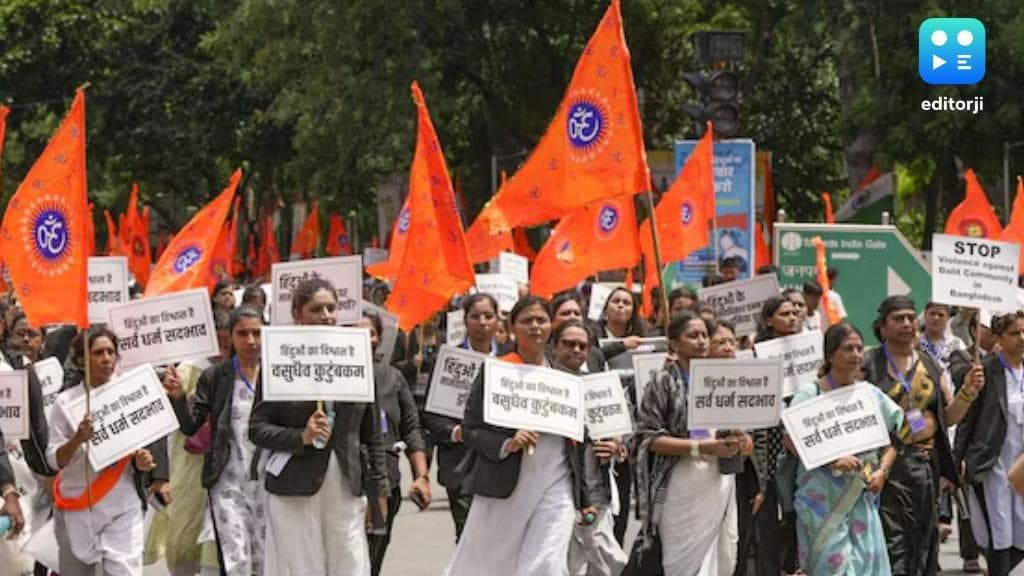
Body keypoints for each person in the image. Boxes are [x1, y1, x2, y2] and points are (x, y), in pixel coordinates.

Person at [249, 278, 388, 576]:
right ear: (297, 314)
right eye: (316, 309)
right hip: (294, 486)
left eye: (331, 308)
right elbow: (257, 428)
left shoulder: (355, 356)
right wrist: (301, 436)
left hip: (346, 484)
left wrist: (379, 490)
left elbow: (372, 434)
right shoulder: (279, 358)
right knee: (301, 567)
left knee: (350, 563)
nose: (326, 315)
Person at [444, 296, 588, 576]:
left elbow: (581, 437)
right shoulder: (497, 370)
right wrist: (507, 443)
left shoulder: (565, 379)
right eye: (527, 321)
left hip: (556, 481)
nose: (535, 327)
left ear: (551, 326)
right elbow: (471, 428)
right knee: (490, 564)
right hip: (506, 481)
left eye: (541, 320)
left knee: (547, 562)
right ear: (511, 327)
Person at [862, 295, 982, 576]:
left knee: (923, 543)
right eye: (897, 319)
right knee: (892, 544)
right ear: (882, 326)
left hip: (924, 468)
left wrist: (968, 393)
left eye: (909, 318)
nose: (906, 324)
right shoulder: (868, 364)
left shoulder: (930, 365)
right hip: (883, 470)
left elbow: (948, 418)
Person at [48, 326, 170, 575]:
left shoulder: (131, 393)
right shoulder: (66, 403)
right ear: (82, 360)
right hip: (78, 503)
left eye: (110, 352)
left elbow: (145, 441)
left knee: (124, 570)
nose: (106, 358)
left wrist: (143, 462)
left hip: (123, 502)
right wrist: (77, 439)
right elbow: (54, 460)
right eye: (98, 352)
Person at [634, 312, 748, 576]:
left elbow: (733, 428)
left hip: (719, 479)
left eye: (704, 335)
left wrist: (740, 441)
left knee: (722, 554)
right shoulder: (663, 382)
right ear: (674, 344)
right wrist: (699, 448)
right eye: (692, 335)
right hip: (681, 481)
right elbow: (647, 438)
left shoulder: (723, 380)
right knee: (682, 562)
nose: (701, 341)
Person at [789, 322, 904, 575]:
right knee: (832, 565)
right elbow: (792, 440)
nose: (856, 355)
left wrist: (883, 471)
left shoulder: (869, 395)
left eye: (859, 348)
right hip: (821, 499)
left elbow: (894, 441)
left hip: (861, 495)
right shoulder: (810, 394)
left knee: (865, 564)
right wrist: (831, 462)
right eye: (848, 348)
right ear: (830, 355)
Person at [163, 306, 266, 576]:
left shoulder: (277, 374)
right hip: (227, 484)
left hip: (268, 484)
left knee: (264, 562)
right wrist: (179, 398)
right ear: (231, 337)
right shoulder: (216, 377)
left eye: (257, 332)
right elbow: (190, 425)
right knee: (236, 560)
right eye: (243, 333)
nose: (251, 340)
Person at [145, 309, 232, 575]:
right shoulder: (188, 370)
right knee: (184, 532)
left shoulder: (248, 368)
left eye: (229, 345)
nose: (224, 351)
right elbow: (170, 422)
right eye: (221, 343)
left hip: (230, 466)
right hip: (189, 465)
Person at [422, 293, 507, 541]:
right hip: (461, 463)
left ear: (497, 320)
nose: (482, 322)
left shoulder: (511, 359)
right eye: (475, 316)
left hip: (504, 463)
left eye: (488, 316)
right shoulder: (448, 359)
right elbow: (430, 415)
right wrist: (455, 432)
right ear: (465, 321)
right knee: (469, 536)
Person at [552, 320, 628, 576]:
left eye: (582, 345)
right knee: (568, 562)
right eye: (568, 344)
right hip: (556, 489)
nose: (575, 350)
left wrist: (616, 444)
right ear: (554, 347)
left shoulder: (600, 387)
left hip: (595, 487)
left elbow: (622, 431)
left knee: (601, 554)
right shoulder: (542, 385)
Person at [357, 313, 431, 576]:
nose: (364, 338)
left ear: (379, 338)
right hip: (344, 486)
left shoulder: (392, 378)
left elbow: (412, 429)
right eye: (354, 330)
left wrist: (421, 476)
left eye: (370, 332)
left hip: (385, 483)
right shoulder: (329, 380)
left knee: (373, 559)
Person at [955, 311, 1024, 576]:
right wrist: (955, 464)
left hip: (1021, 462)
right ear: (998, 338)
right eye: (1014, 333)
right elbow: (967, 421)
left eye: (1023, 332)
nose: (1021, 338)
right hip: (992, 462)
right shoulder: (985, 370)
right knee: (999, 528)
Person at [747, 296, 801, 576]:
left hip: (799, 444)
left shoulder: (809, 352)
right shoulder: (757, 354)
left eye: (795, 313)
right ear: (768, 320)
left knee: (795, 511)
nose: (793, 318)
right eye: (785, 314)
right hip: (767, 445)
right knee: (767, 511)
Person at [551, 293, 605, 373]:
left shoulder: (596, 356)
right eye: (566, 313)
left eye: (577, 313)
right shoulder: (541, 355)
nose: (573, 317)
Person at [920, 302, 966, 367]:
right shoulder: (915, 342)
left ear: (947, 318)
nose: (936, 318)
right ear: (925, 315)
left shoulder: (957, 344)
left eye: (941, 315)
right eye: (932, 314)